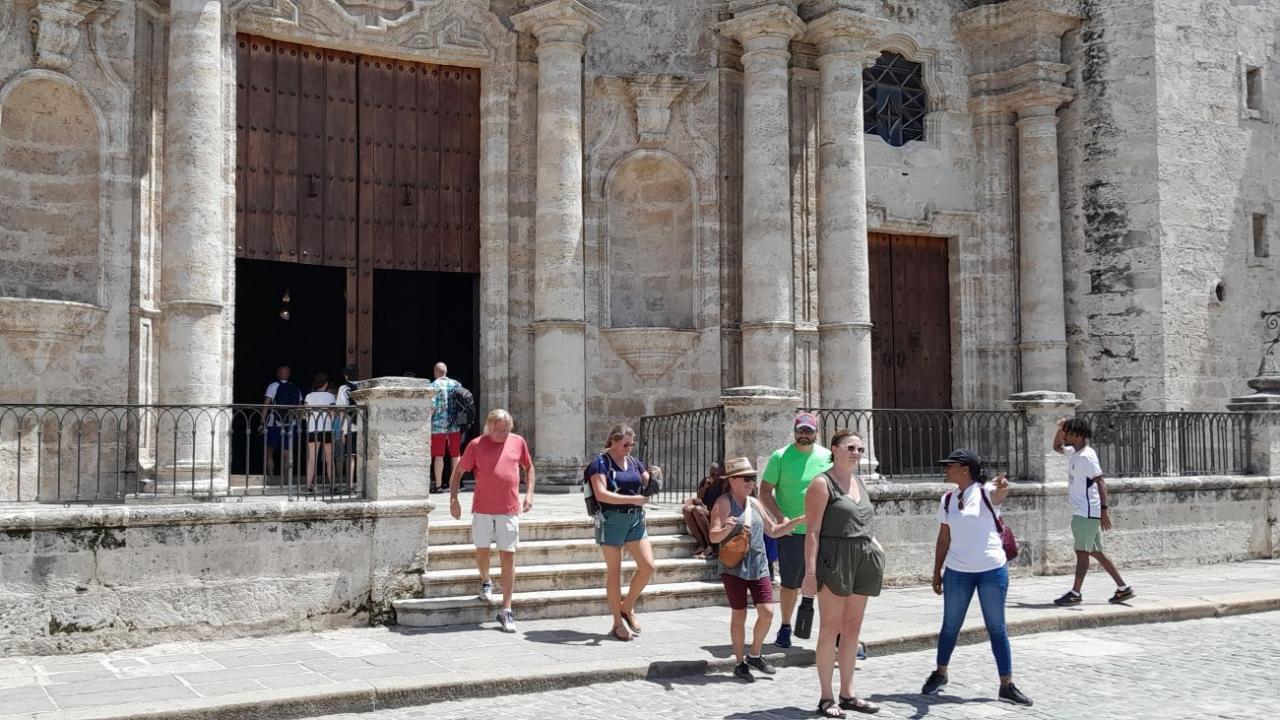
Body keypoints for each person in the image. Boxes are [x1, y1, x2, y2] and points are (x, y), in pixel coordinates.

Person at [922, 449, 1032, 707]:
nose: (945, 469)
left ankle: (1007, 684)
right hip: (957, 571)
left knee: (997, 627)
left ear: (965, 469)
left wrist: (1003, 486)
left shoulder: (984, 492)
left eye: (950, 465)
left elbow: (999, 492)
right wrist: (937, 570)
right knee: (950, 625)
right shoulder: (947, 499)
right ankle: (940, 673)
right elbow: (944, 538)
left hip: (990, 570)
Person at [802, 430, 884, 717]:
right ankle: (826, 697)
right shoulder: (821, 484)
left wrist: (876, 547)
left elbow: (862, 521)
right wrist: (810, 573)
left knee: (852, 629)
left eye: (861, 449)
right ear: (834, 449)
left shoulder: (859, 481)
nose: (857, 453)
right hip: (834, 558)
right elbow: (812, 532)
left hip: (863, 560)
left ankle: (848, 693)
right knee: (830, 628)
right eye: (851, 447)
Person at [708, 456, 804, 683]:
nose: (752, 483)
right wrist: (726, 529)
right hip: (734, 568)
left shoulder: (755, 503)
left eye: (753, 478)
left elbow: (772, 531)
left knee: (768, 612)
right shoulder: (722, 503)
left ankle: (755, 654)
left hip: (759, 565)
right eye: (747, 479)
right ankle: (740, 662)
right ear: (732, 480)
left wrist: (795, 523)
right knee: (739, 614)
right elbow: (714, 535)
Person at [448, 409, 535, 633]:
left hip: (509, 509)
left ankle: (507, 609)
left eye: (505, 430)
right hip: (483, 510)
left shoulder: (518, 442)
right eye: (497, 430)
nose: (502, 434)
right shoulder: (476, 445)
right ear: (489, 427)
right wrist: (454, 500)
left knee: (508, 554)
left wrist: (529, 494)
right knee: (482, 552)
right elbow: (458, 472)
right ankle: (486, 580)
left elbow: (529, 467)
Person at [759, 411, 833, 648]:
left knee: (827, 585)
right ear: (794, 430)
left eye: (808, 431)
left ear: (816, 433)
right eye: (800, 430)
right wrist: (781, 518)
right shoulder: (780, 457)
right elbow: (764, 491)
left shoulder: (827, 456)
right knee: (790, 583)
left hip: (822, 531)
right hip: (792, 533)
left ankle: (832, 632)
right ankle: (785, 627)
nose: (803, 435)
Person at [1051, 418, 1134, 606]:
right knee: (1097, 552)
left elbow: (1101, 482)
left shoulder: (1087, 456)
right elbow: (1056, 446)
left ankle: (1075, 593)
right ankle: (1123, 588)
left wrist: (1104, 511)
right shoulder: (1074, 452)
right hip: (1084, 511)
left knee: (1082, 554)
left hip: (1086, 512)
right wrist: (1060, 428)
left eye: (1068, 433)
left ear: (1078, 435)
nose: (1065, 436)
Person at [588, 424, 654, 641]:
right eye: (625, 444)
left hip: (635, 519)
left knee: (648, 567)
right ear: (614, 442)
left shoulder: (633, 462)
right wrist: (633, 499)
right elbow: (601, 494)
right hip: (611, 520)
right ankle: (617, 622)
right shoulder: (600, 463)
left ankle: (627, 605)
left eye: (632, 444)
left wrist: (654, 478)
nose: (629, 448)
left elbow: (646, 480)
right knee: (614, 573)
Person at [263, 365, 302, 478]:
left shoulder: (273, 386)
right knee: (287, 452)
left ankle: (270, 476)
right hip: (292, 423)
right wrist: (299, 424)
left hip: (274, 423)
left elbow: (266, 405)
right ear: (288, 374)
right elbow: (300, 408)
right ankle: (285, 477)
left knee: (269, 450)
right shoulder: (296, 387)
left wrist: (262, 422)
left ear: (278, 373)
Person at [429, 362, 462, 493]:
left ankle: (438, 485)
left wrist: (426, 421)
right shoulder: (456, 384)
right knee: (455, 456)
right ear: (446, 371)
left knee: (439, 455)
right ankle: (455, 485)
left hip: (438, 426)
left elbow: (432, 406)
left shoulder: (433, 386)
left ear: (436, 372)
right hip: (455, 425)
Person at [682, 462, 725, 559]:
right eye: (713, 474)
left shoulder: (725, 483)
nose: (715, 477)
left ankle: (712, 547)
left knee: (698, 510)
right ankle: (703, 545)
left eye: (718, 475)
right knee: (686, 510)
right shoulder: (705, 481)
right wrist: (705, 488)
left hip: (717, 513)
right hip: (706, 509)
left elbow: (723, 501)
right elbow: (699, 497)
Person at [303, 373, 336, 493]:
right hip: (326, 429)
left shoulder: (308, 396)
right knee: (329, 459)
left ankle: (308, 486)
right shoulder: (330, 397)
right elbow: (332, 414)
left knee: (312, 458)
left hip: (313, 429)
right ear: (326, 384)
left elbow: (306, 415)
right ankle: (333, 486)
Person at [334, 365, 361, 490]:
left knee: (350, 456)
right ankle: (362, 484)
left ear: (346, 376)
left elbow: (341, 410)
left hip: (350, 426)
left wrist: (341, 430)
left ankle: (349, 485)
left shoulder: (344, 388)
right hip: (363, 426)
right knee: (362, 456)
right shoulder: (363, 387)